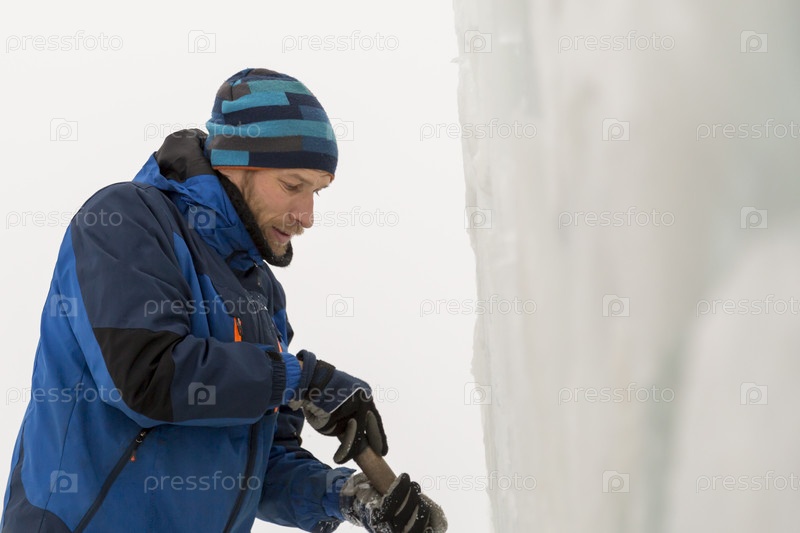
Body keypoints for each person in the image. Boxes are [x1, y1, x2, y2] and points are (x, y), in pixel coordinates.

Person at [1, 68, 446, 533]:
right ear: (234, 164)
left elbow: (259, 463)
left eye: (317, 192)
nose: (307, 215)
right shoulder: (126, 219)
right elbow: (146, 378)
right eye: (292, 186)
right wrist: (302, 381)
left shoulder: (261, 294)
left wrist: (347, 497)